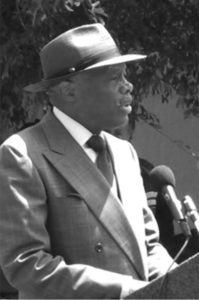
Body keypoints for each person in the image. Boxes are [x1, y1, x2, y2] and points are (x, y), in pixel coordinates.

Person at [0, 23, 177, 299]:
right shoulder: (23, 154)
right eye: (114, 77)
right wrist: (127, 291)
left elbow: (148, 246)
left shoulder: (125, 153)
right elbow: (27, 265)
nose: (128, 86)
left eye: (126, 75)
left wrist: (180, 282)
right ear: (69, 91)